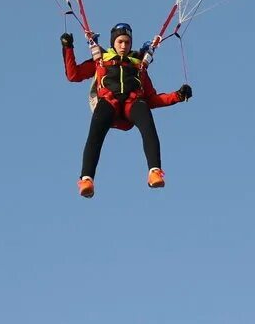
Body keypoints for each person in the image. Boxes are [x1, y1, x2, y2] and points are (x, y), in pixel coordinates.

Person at [61, 23, 192, 198]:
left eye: (127, 43)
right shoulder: (101, 60)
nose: (124, 46)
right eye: (120, 42)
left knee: (148, 123)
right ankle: (86, 179)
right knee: (95, 134)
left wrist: (178, 95)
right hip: (109, 102)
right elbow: (73, 75)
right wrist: (68, 47)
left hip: (133, 103)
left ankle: (155, 171)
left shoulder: (139, 66)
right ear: (113, 42)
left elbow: (152, 99)